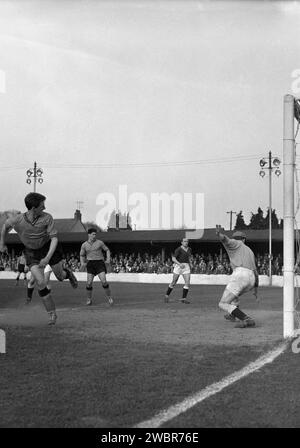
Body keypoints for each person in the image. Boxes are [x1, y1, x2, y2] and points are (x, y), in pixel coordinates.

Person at [0, 193, 78, 325]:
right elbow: (5, 227)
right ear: (33, 208)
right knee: (41, 282)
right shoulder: (17, 220)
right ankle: (51, 314)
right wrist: (2, 243)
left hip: (48, 248)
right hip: (31, 252)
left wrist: (47, 257)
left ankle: (68, 273)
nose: (45, 207)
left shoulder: (47, 218)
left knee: (60, 276)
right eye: (42, 205)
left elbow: (54, 239)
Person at [216, 225, 258, 328]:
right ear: (244, 239)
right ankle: (232, 315)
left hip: (240, 275)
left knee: (222, 303)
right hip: (251, 279)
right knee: (234, 296)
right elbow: (256, 272)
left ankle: (246, 319)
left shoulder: (235, 243)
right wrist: (256, 289)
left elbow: (225, 239)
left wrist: (219, 234)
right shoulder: (250, 251)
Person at [80, 228, 113, 306]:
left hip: (99, 263)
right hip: (90, 264)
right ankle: (89, 299)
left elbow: (107, 250)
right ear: (89, 234)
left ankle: (109, 297)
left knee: (104, 281)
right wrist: (82, 263)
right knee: (89, 283)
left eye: (95, 234)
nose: (94, 236)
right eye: (93, 234)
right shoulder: (84, 245)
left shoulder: (100, 242)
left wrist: (108, 259)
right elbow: (81, 255)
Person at [164, 237, 192, 304]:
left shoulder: (189, 249)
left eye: (187, 241)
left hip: (186, 266)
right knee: (174, 282)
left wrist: (190, 264)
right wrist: (179, 264)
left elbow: (189, 257)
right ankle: (166, 295)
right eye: (185, 241)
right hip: (178, 266)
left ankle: (183, 299)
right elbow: (173, 259)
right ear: (182, 242)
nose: (186, 242)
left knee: (187, 282)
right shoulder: (178, 249)